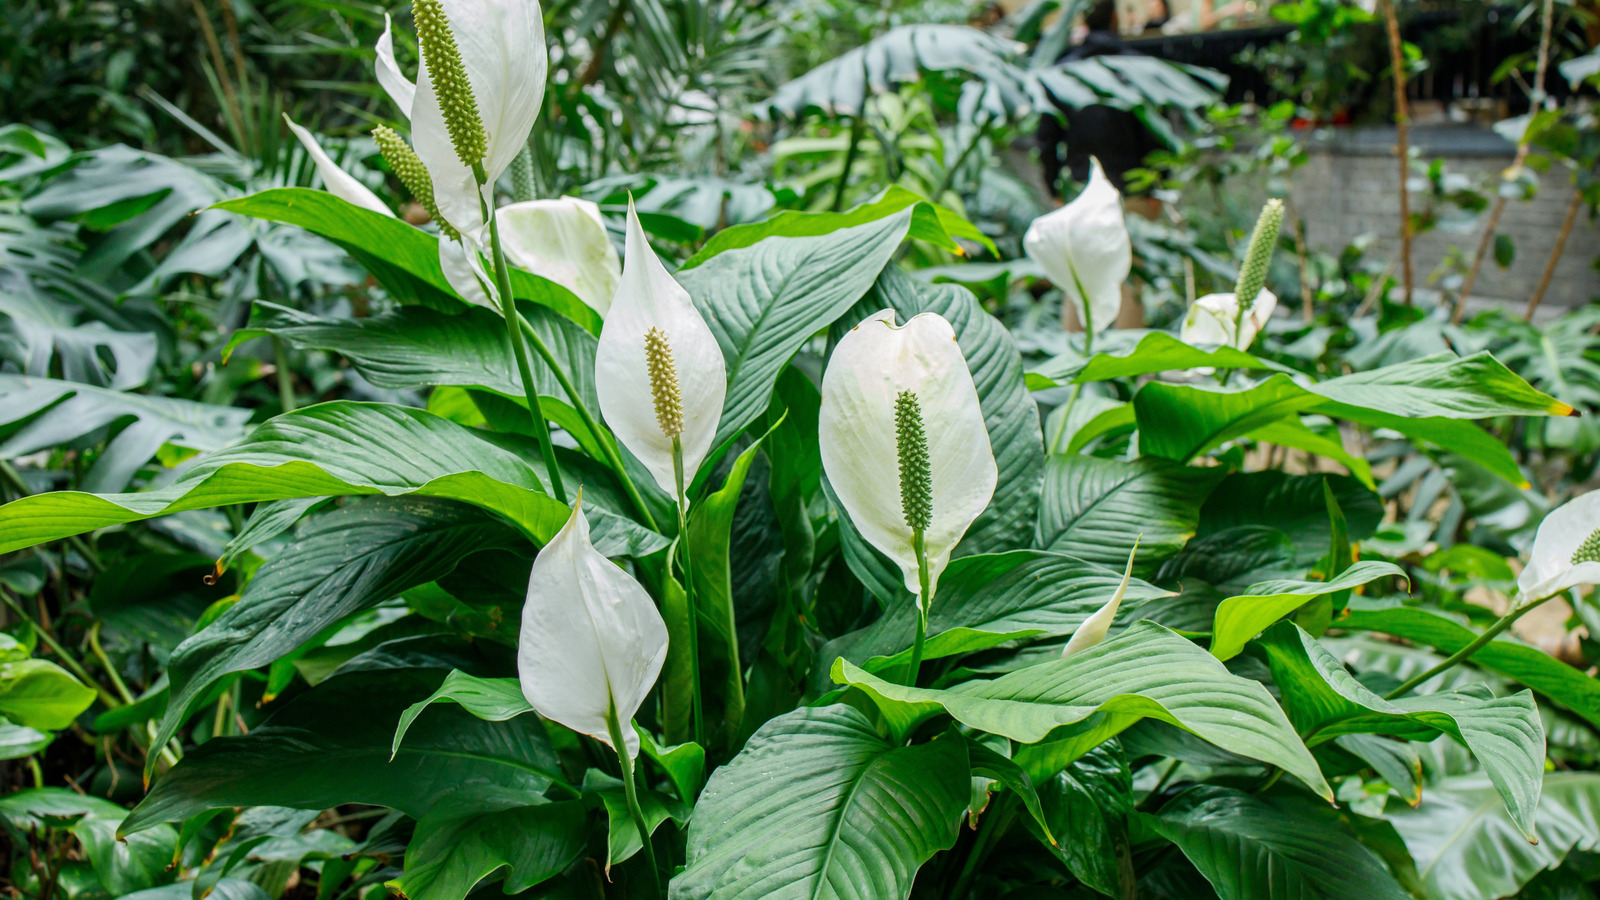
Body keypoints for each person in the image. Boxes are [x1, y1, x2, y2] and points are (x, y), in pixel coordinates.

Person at [1036, 0, 1164, 201]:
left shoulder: (1062, 74)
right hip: (1134, 190)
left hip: (1081, 192)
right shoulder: (1138, 69)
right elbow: (1158, 133)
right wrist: (1158, 186)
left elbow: (1047, 137)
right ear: (1115, 18)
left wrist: (1053, 188)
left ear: (1083, 20)